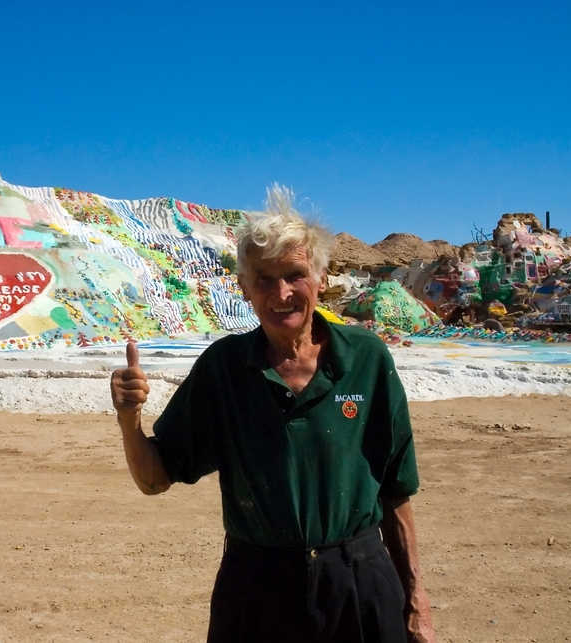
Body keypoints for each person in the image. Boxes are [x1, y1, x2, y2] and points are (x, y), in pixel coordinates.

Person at [110, 186, 436, 642]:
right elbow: (154, 479)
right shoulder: (223, 369)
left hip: (358, 583)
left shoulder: (367, 360)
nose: (281, 293)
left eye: (295, 275)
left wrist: (416, 603)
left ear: (321, 278)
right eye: (263, 278)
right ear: (244, 288)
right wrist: (129, 421)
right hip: (256, 588)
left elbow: (396, 491)